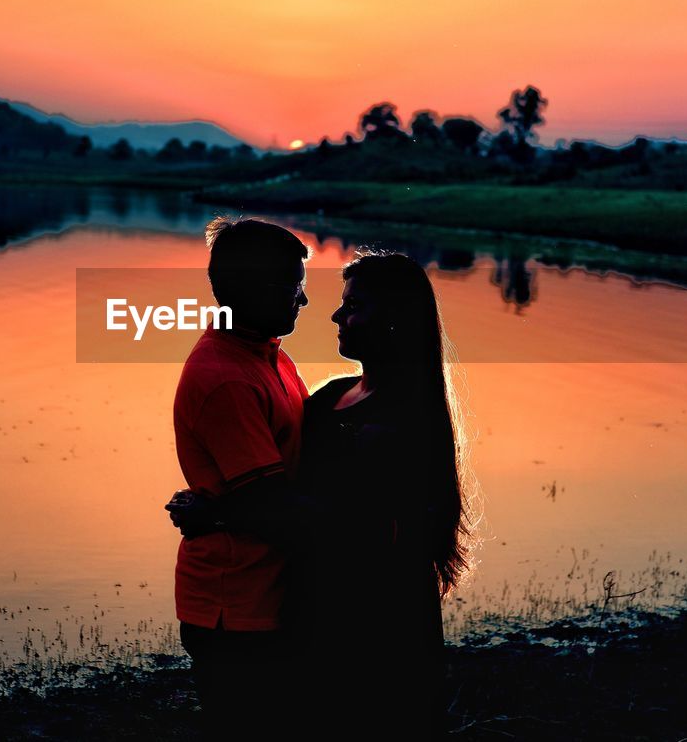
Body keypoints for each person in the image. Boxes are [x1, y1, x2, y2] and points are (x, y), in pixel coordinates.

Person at [171, 250, 471, 737]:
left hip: (372, 617)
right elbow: (283, 485)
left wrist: (220, 514)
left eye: (353, 306)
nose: (334, 314)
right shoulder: (333, 395)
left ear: (393, 320)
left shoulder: (398, 419)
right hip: (316, 604)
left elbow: (344, 525)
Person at [169, 216, 310, 741]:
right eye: (295, 286)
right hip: (235, 606)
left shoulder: (267, 354)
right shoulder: (226, 377)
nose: (304, 300)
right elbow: (273, 508)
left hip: (266, 592)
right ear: (255, 289)